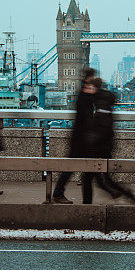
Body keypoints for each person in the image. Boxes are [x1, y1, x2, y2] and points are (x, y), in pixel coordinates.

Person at [81, 78, 135, 204]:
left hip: (97, 150)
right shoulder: (106, 105)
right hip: (104, 149)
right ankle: (125, 195)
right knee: (103, 179)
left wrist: (90, 144)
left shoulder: (100, 109)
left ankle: (87, 207)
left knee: (90, 179)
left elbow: (99, 132)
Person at [52, 67, 97, 204]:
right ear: (89, 78)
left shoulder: (83, 93)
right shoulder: (85, 94)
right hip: (81, 139)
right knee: (76, 169)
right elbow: (86, 117)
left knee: (75, 169)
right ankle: (59, 194)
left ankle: (61, 194)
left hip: (80, 137)